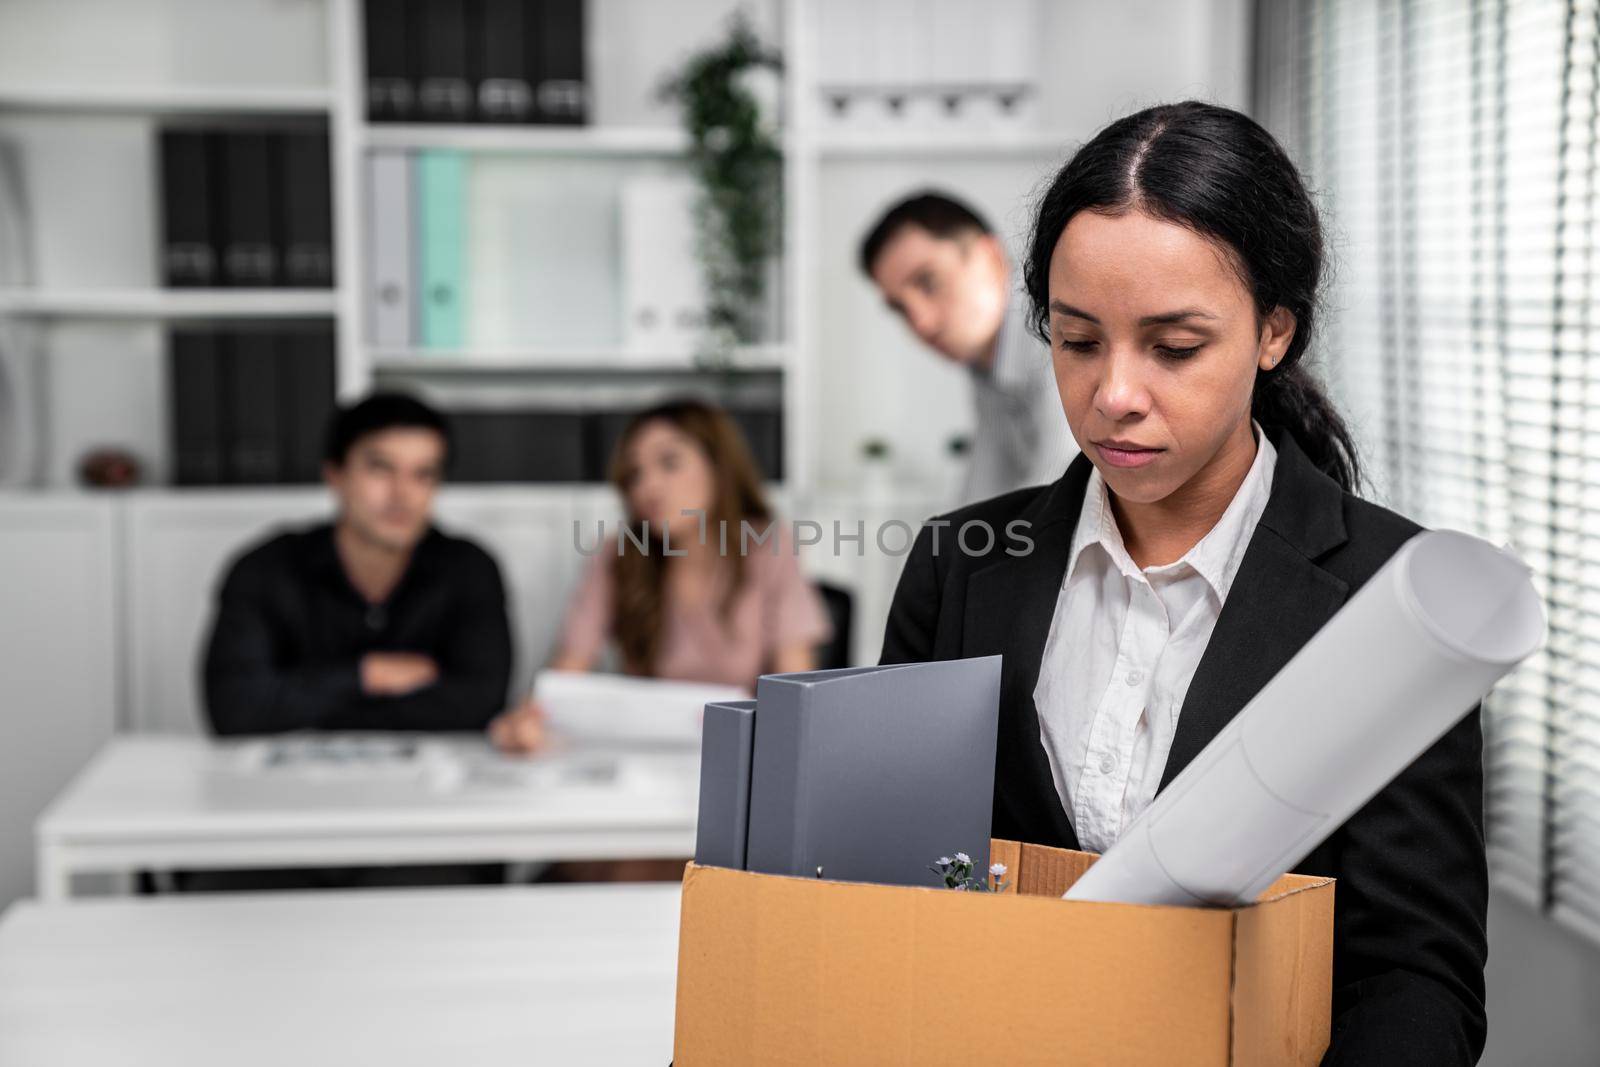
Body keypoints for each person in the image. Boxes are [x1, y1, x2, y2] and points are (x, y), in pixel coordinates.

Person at [880, 101, 1487, 1064]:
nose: (1114, 393)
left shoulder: (1389, 603)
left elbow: (1413, 977)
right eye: (1078, 341)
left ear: (1274, 331)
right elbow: (897, 898)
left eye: (1173, 348)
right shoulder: (960, 566)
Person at [490, 397, 831, 755]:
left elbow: (795, 699)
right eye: (634, 474)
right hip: (649, 758)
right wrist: (527, 718)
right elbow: (568, 669)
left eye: (670, 463)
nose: (648, 488)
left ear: (719, 466)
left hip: (745, 753)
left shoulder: (769, 548)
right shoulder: (618, 554)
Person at [204, 392, 513, 737]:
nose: (402, 494)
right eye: (381, 469)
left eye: (423, 474)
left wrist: (306, 700)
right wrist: (368, 675)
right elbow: (234, 709)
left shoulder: (469, 569)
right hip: (294, 785)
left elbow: (480, 706)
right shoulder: (265, 569)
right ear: (335, 474)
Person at [860, 191, 1077, 502]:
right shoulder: (989, 365)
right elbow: (982, 501)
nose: (920, 323)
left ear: (989, 257)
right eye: (900, 308)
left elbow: (1057, 506)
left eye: (928, 282)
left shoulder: (1053, 333)